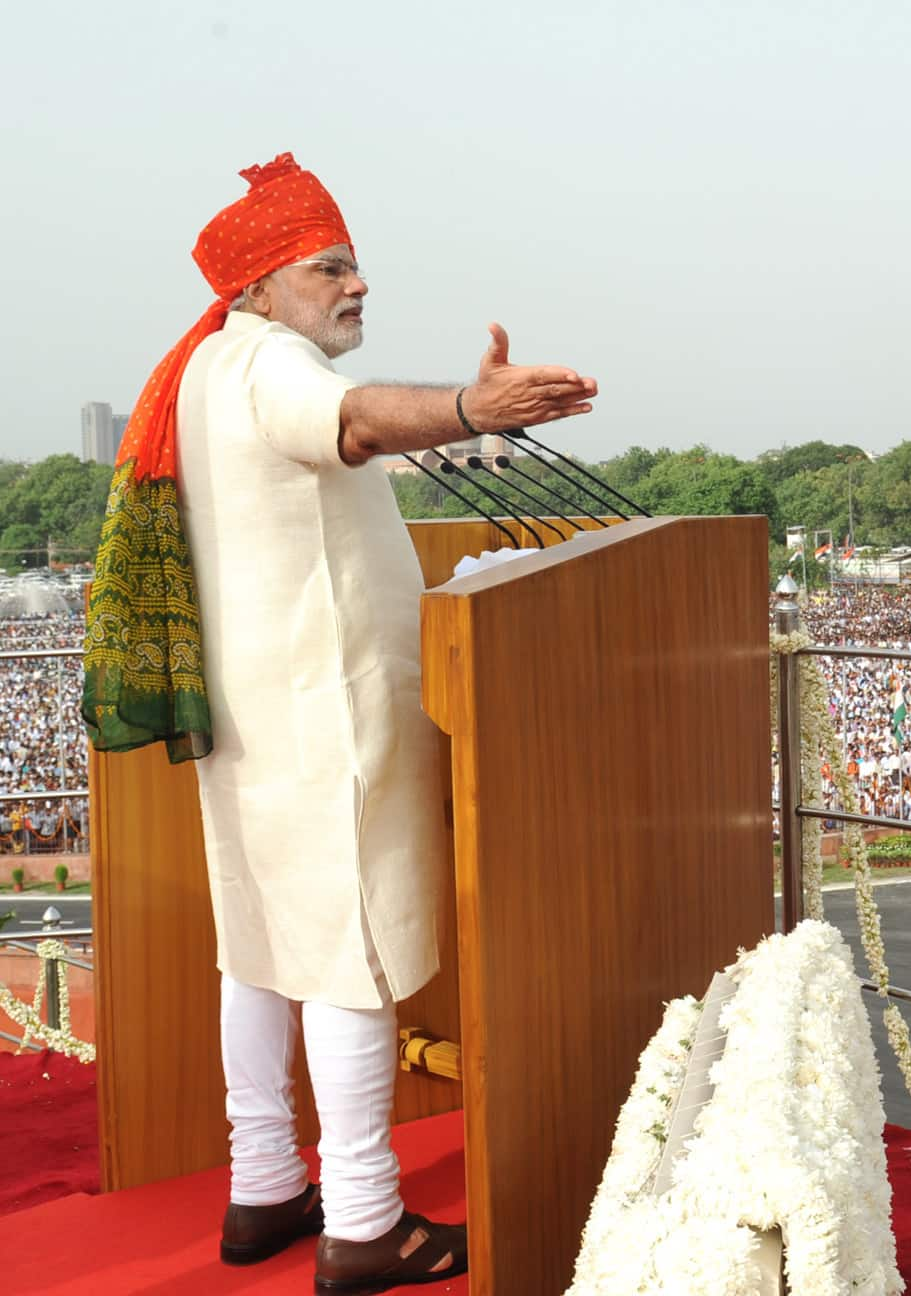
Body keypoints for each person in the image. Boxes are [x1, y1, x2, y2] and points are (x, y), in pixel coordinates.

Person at [84, 153, 595, 1289]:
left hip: (263, 726)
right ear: (260, 286)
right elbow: (356, 422)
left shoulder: (212, 368)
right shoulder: (271, 363)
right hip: (325, 729)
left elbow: (350, 436)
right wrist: (466, 405)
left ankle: (263, 1187)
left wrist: (475, 424)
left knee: (261, 955)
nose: (356, 283)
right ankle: (365, 1222)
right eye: (329, 267)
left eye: (357, 264)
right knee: (350, 960)